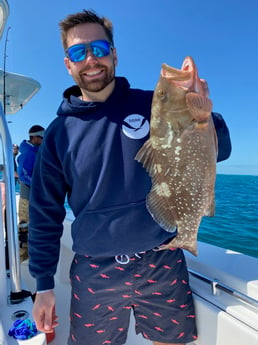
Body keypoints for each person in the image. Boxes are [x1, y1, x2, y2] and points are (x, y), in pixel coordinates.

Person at [28, 10, 232, 345]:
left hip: (162, 258)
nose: (91, 59)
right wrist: (44, 285)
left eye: (99, 48)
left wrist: (206, 116)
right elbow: (44, 213)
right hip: (95, 269)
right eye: (79, 53)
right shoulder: (58, 133)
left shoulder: (153, 104)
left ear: (115, 53)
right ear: (68, 64)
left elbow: (216, 151)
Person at [17, 125, 45, 261]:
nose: (44, 140)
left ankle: (29, 256)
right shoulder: (28, 153)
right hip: (26, 198)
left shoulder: (36, 151)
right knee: (24, 227)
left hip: (34, 198)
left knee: (33, 228)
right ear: (34, 137)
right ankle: (22, 258)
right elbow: (23, 175)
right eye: (42, 137)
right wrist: (40, 184)